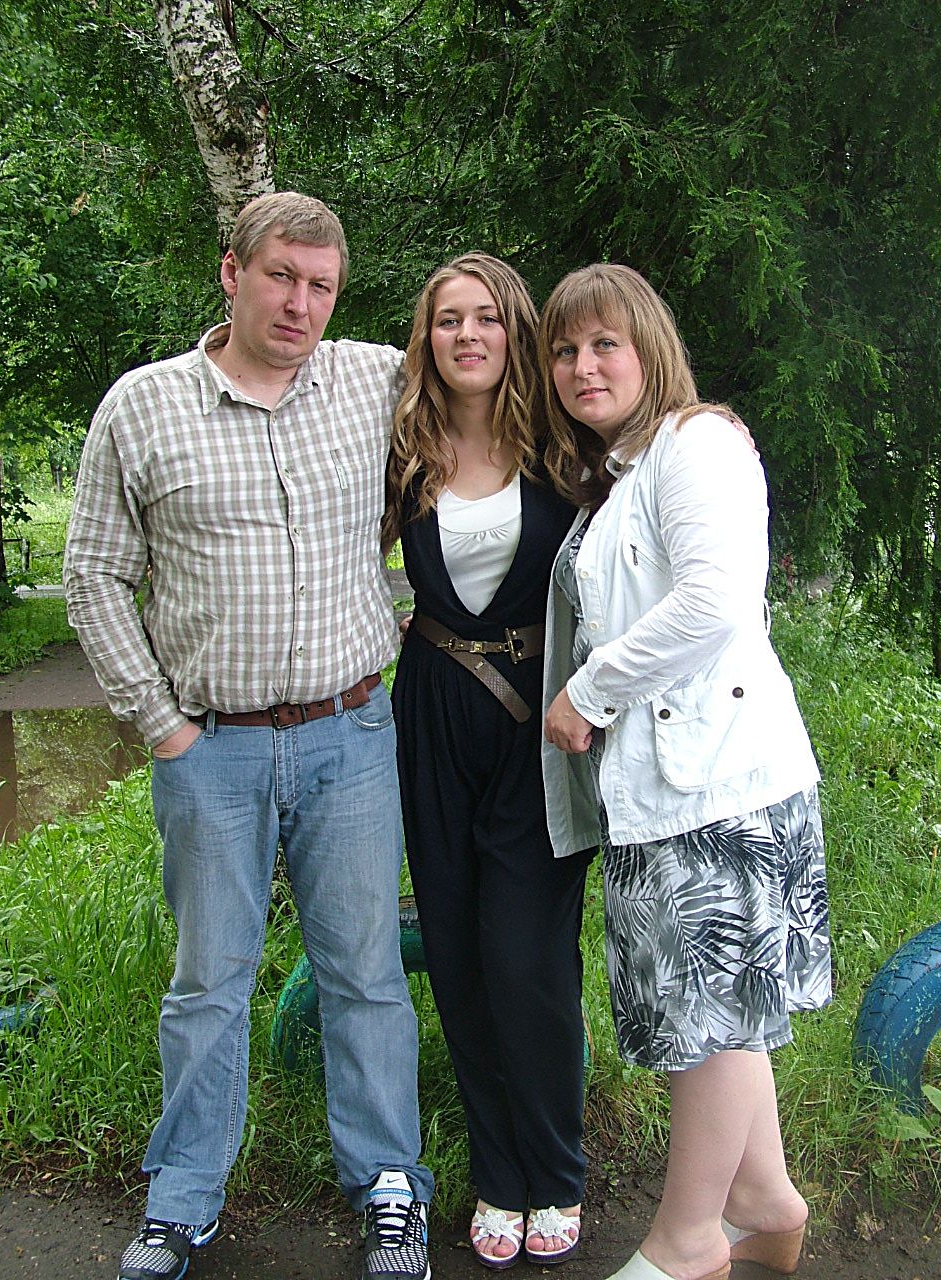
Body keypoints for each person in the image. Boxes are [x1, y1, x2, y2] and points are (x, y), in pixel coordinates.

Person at [63, 191, 433, 1280]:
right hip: (209, 748)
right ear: (232, 272)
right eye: (282, 277)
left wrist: (688, 424)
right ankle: (180, 1202)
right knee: (207, 983)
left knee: (365, 973)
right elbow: (92, 575)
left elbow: (499, 394)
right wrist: (160, 725)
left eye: (322, 286)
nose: (300, 304)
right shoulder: (143, 406)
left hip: (350, 734)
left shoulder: (376, 380)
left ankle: (389, 1188)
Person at [538, 264, 832, 1280]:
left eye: (604, 344)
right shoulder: (625, 469)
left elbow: (714, 601)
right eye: (565, 350)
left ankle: (689, 1239)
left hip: (716, 789)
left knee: (708, 1018)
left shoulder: (696, 444)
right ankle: (761, 1199)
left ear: (649, 350)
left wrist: (588, 692)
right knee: (721, 1009)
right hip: (679, 787)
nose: (583, 366)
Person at [383, 254, 594, 1270]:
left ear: (515, 330)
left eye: (486, 318)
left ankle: (557, 1167)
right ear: (426, 340)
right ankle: (499, 1172)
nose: (466, 335)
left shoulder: (565, 449)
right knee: (460, 955)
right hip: (430, 713)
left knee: (528, 959)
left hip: (537, 724)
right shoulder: (401, 450)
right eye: (447, 320)